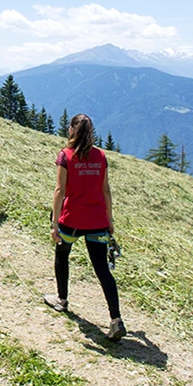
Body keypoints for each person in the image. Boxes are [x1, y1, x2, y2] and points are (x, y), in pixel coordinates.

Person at [43, 113, 126, 341]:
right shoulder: (101, 156)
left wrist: (54, 223)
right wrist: (109, 220)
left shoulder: (65, 156)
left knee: (62, 255)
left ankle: (62, 299)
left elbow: (60, 191)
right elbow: (106, 190)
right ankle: (115, 319)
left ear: (71, 130)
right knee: (102, 269)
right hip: (98, 220)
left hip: (71, 220)